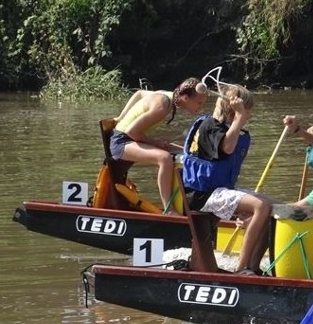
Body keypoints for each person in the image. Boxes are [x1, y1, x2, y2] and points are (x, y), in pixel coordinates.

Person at [182, 84, 271, 274]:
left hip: (219, 191)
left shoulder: (232, 129)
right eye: (247, 112)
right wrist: (239, 117)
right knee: (260, 206)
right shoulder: (210, 126)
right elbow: (228, 148)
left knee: (271, 206)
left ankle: (253, 267)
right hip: (202, 195)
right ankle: (242, 269)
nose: (249, 116)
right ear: (233, 111)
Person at [109, 77, 208, 212]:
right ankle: (169, 210)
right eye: (199, 103)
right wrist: (156, 142)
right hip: (121, 142)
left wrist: (121, 117)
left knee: (185, 152)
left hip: (131, 139)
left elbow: (139, 94)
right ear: (185, 97)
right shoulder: (162, 105)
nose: (200, 108)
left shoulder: (168, 95)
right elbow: (131, 132)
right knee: (164, 158)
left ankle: (189, 205)